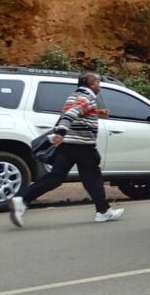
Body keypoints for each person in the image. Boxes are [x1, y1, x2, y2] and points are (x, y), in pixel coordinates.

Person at [9, 72, 124, 227]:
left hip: (69, 144)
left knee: (56, 177)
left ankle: (22, 199)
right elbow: (71, 113)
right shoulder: (87, 96)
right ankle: (103, 211)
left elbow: (76, 111)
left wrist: (97, 112)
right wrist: (61, 132)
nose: (100, 86)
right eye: (97, 83)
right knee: (92, 177)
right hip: (82, 144)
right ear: (90, 84)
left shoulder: (75, 95)